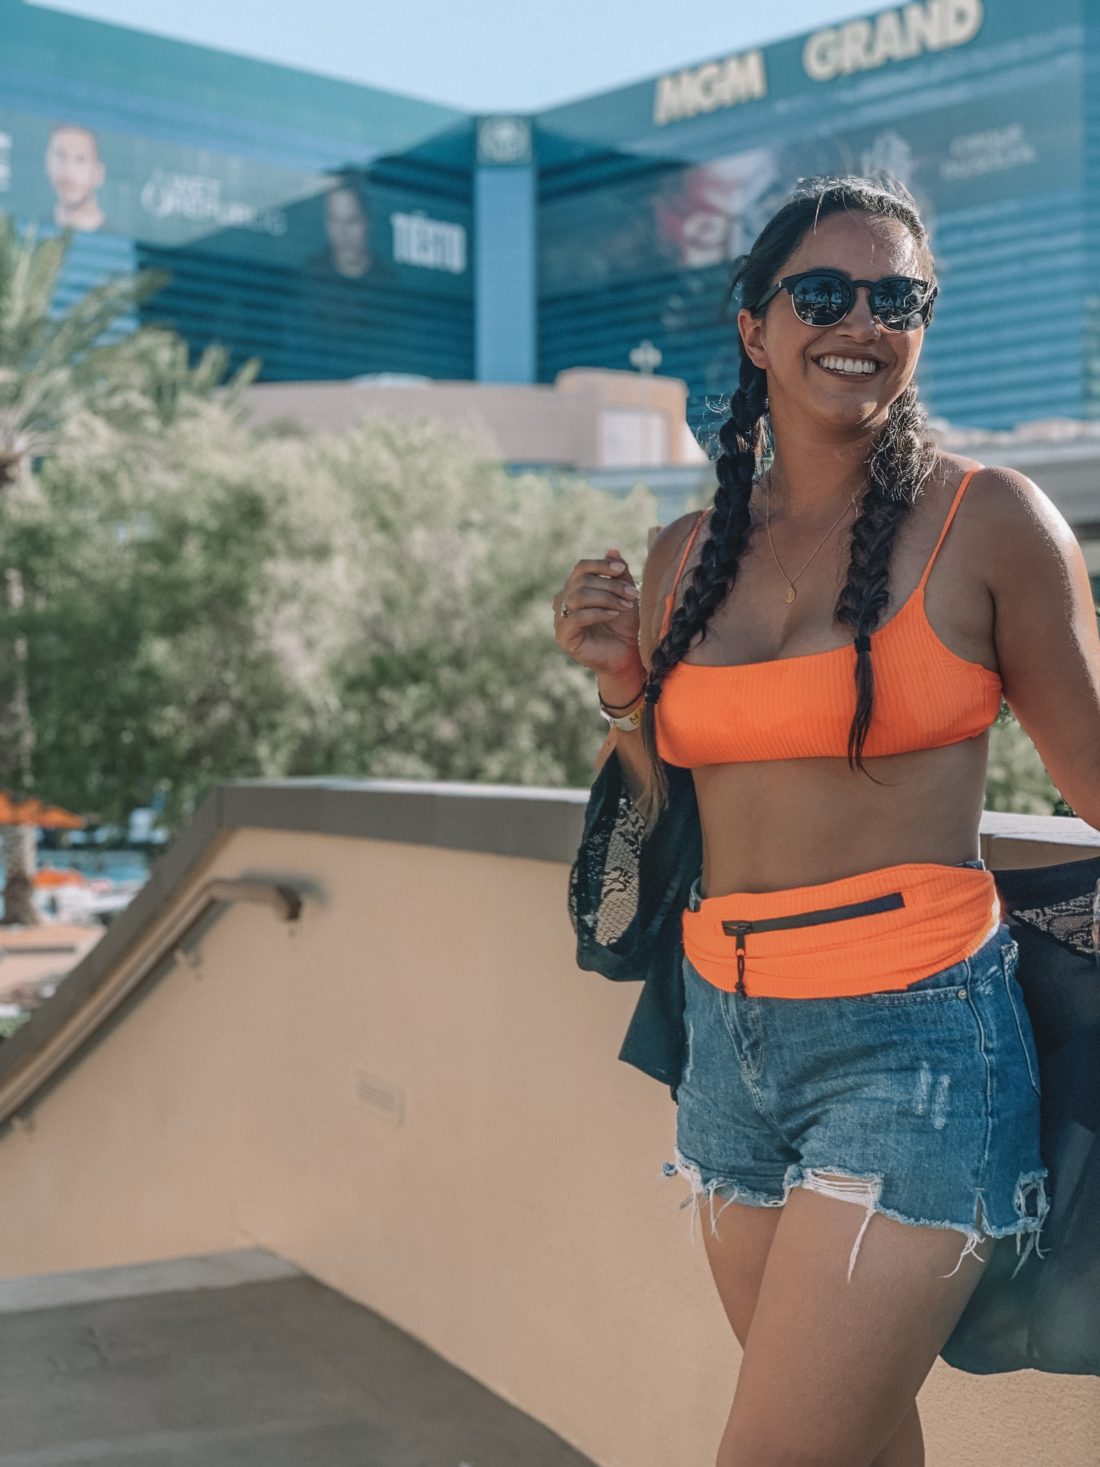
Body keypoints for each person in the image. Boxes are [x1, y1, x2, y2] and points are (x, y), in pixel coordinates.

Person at [552, 174, 1100, 1467]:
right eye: (823, 290)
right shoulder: (688, 550)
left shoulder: (991, 520)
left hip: (916, 1048)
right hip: (726, 1053)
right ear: (755, 326)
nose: (862, 318)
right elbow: (668, 808)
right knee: (858, 1442)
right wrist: (623, 689)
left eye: (897, 296)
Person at [44, 123, 107, 232]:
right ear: (47, 163)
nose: (68, 171)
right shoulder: (32, 233)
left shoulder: (115, 239)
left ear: (99, 173)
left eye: (80, 159)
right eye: (61, 156)